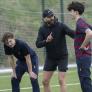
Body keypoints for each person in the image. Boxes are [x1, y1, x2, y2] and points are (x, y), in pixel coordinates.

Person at [36, 9, 74, 92]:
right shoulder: (42, 29)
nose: (52, 18)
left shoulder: (61, 26)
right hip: (50, 58)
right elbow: (38, 44)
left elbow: (72, 34)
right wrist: (46, 41)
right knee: (45, 81)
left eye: (52, 16)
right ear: (44, 19)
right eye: (49, 17)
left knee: (61, 80)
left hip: (62, 57)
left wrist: (82, 32)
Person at [67, 1, 92, 92]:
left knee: (85, 82)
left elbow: (89, 33)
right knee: (85, 81)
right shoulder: (82, 22)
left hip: (83, 57)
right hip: (84, 57)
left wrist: (82, 46)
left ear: (76, 12)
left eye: (71, 11)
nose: (70, 13)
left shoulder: (80, 23)